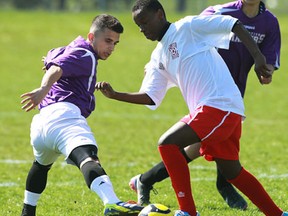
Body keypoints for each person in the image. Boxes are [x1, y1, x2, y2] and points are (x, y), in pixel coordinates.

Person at [95, 0, 287, 215]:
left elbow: (232, 24)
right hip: (218, 110)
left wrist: (258, 57)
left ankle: (187, 211)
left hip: (220, 105)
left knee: (168, 143)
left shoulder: (187, 27)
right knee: (233, 172)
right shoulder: (158, 56)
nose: (142, 29)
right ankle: (277, 214)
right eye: (139, 25)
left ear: (160, 15)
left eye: (145, 22)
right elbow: (150, 97)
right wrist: (115, 95)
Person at [20, 14, 143, 216]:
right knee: (88, 158)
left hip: (42, 125)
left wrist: (83, 88)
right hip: (63, 117)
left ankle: (27, 211)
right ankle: (112, 202)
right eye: (108, 41)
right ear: (91, 37)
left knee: (41, 166)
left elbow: (52, 57)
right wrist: (43, 89)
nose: (111, 48)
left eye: (116, 43)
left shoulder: (70, 49)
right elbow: (57, 69)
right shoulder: (85, 55)